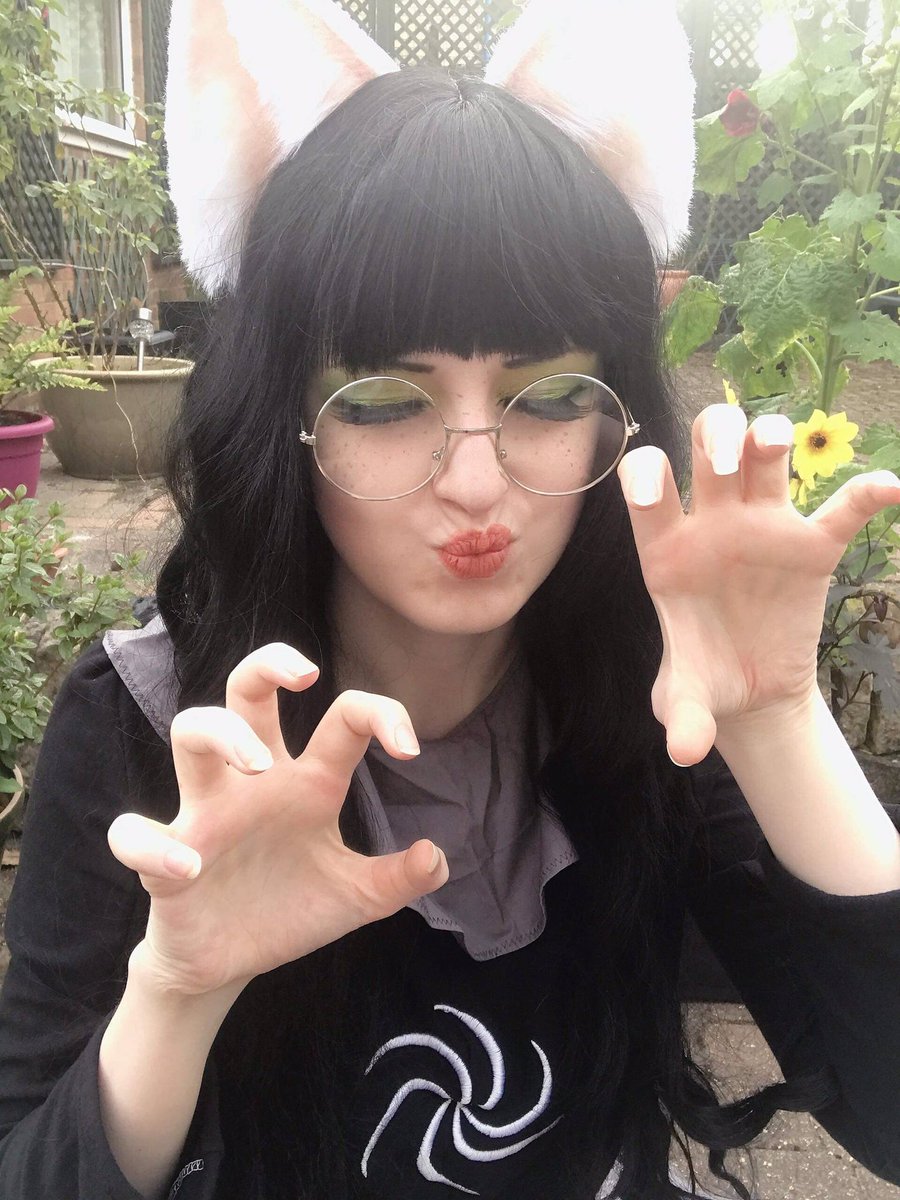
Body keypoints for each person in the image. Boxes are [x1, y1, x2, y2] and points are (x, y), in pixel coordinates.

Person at [0, 0, 899, 1198]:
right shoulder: (150, 728)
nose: (478, 482)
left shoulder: (665, 706)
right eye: (383, 400)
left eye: (549, 393)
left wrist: (777, 718)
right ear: (279, 415)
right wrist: (176, 994)